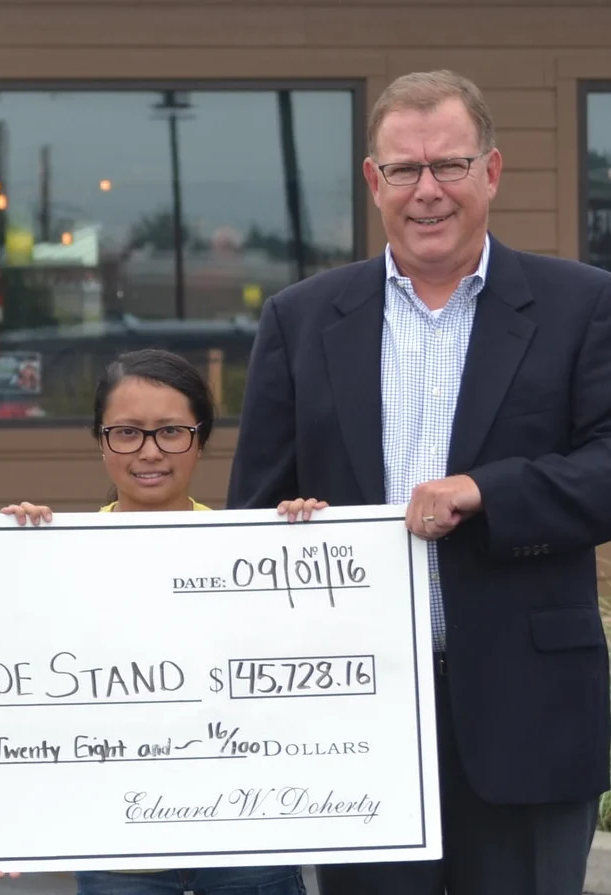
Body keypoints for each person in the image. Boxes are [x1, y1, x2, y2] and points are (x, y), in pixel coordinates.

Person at [227, 69, 611, 895]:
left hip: (526, 715)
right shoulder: (299, 318)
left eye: (449, 165)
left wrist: (485, 491)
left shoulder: (582, 304)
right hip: (355, 721)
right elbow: (251, 513)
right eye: (403, 169)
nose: (426, 190)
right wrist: (291, 529)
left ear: (491, 172)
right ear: (374, 182)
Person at [2, 348, 319, 895]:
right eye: (127, 433)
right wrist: (9, 555)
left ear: (201, 438)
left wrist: (313, 548)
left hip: (248, 836)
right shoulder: (55, 555)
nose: (150, 452)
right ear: (100, 440)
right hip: (120, 846)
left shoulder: (254, 553)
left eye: (171, 431)